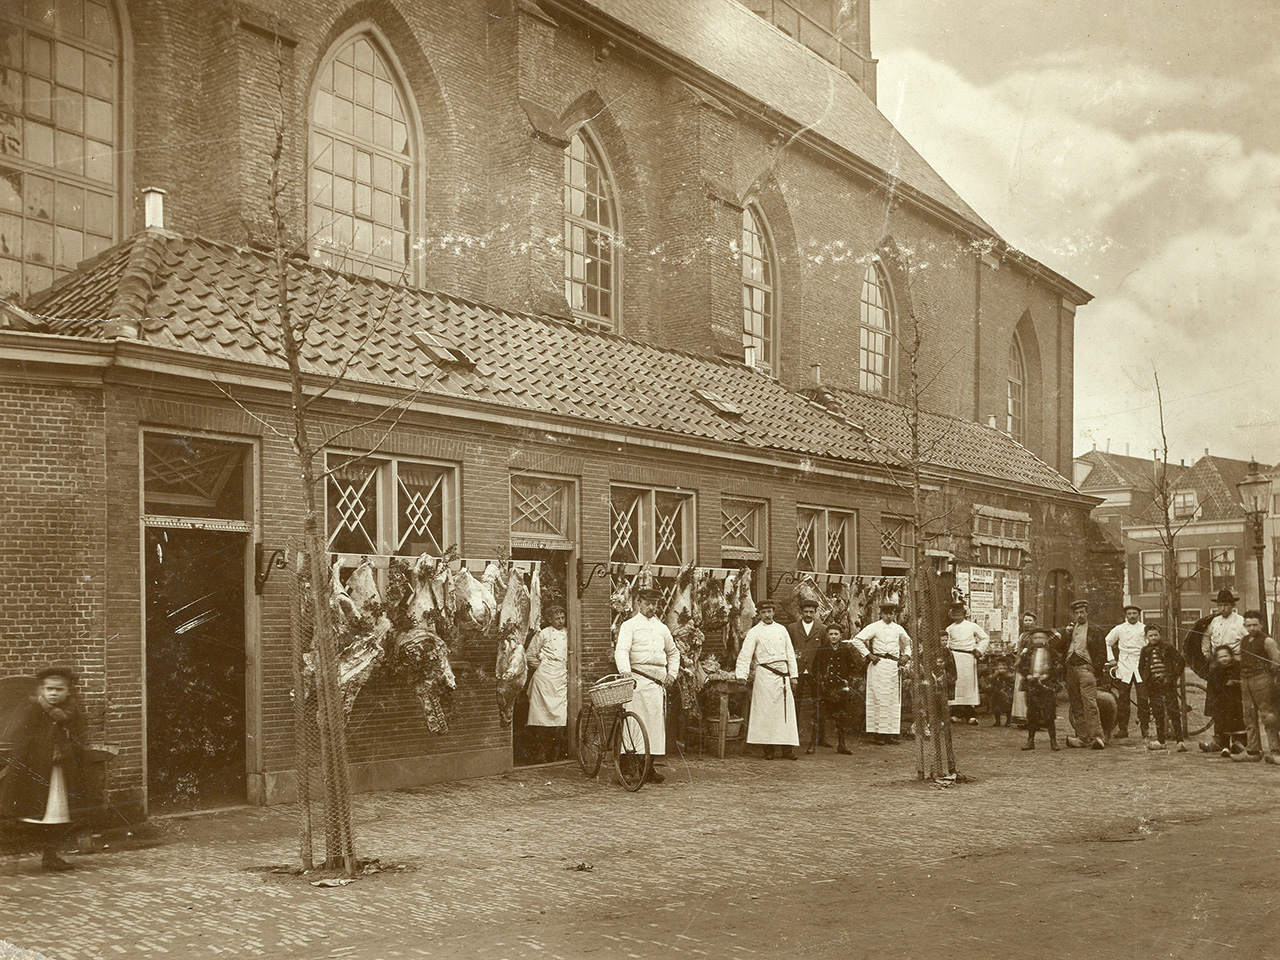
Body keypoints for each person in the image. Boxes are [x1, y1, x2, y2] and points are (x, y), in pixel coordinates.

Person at [0, 667, 88, 871]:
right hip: (37, 771)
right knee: (27, 811)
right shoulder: (34, 710)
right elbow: (23, 739)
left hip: (61, 772)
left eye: (59, 689)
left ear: (68, 691)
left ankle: (51, 856)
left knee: (58, 814)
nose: (54, 693)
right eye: (49, 689)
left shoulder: (72, 712)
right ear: (42, 690)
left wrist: (69, 749)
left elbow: (80, 736)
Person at [615, 587, 680, 783]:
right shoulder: (629, 626)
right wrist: (625, 671)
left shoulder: (662, 628)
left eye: (655, 604)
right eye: (647, 603)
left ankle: (648, 768)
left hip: (657, 685)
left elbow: (673, 652)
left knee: (654, 727)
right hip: (637, 681)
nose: (651, 607)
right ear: (638, 604)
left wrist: (672, 674)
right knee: (633, 725)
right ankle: (626, 769)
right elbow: (622, 650)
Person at [736, 598, 800, 760]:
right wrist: (741, 675)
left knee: (785, 714)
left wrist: (793, 676)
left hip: (783, 677)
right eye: (763, 612)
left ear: (773, 612)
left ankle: (787, 750)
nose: (767, 615)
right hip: (764, 676)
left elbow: (790, 653)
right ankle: (768, 749)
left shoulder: (782, 630)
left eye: (769, 612)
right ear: (759, 615)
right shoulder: (754, 632)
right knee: (766, 713)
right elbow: (745, 655)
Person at [851, 600, 912, 745]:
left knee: (892, 700)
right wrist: (868, 655)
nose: (889, 616)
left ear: (895, 614)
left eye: (891, 613)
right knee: (878, 698)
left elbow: (907, 644)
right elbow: (857, 640)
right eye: (886, 613)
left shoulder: (898, 629)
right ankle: (877, 734)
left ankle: (889, 733)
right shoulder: (874, 627)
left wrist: (906, 656)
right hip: (878, 666)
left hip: (893, 666)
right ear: (881, 614)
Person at [1055, 599, 1110, 749]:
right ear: (1073, 615)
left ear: (1087, 613)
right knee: (1076, 705)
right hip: (1070, 669)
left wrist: (1094, 668)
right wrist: (1066, 635)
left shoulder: (1095, 630)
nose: (1079, 615)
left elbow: (1101, 654)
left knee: (1090, 703)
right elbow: (1060, 649)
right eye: (1077, 613)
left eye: (1082, 612)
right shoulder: (1069, 630)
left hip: (1086, 669)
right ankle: (1082, 737)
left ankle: (1097, 737)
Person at [1232, 611, 1280, 764]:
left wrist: (1266, 677)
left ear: (1261, 625)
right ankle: (1253, 751)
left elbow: (1276, 661)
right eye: (1248, 625)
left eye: (1255, 625)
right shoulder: (1244, 640)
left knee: (1268, 715)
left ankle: (1275, 751)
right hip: (1246, 680)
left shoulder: (1268, 641)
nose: (1252, 628)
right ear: (1245, 625)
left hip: (1262, 680)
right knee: (1249, 715)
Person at [525, 604, 569, 762]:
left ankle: (555, 753)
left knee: (560, 716)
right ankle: (540, 753)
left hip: (561, 677)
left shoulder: (569, 634)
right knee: (540, 716)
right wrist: (543, 668)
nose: (560, 621)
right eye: (557, 618)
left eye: (562, 618)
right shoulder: (543, 634)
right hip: (544, 680)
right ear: (549, 619)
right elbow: (530, 655)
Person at [808, 624, 858, 754]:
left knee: (841, 717)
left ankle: (842, 745)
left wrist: (847, 680)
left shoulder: (845, 649)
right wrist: (820, 682)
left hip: (840, 689)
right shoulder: (822, 649)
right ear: (827, 635)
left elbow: (852, 667)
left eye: (836, 634)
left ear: (841, 635)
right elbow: (815, 668)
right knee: (818, 716)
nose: (833, 637)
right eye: (831, 634)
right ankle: (812, 744)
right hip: (825, 688)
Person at [1137, 623, 1187, 751]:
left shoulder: (1167, 647)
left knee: (1173, 711)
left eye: (1156, 635)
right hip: (1153, 685)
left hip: (1167, 683)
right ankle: (1161, 740)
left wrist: (1174, 676)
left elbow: (1181, 661)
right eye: (1150, 635)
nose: (1153, 638)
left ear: (1160, 635)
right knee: (1158, 712)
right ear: (1146, 637)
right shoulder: (1145, 650)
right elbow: (1141, 667)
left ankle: (1180, 741)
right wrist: (1147, 680)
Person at [1105, 605, 1148, 740]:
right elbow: (1107, 641)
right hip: (1124, 666)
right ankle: (1123, 729)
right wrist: (1111, 659)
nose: (1132, 616)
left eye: (1134, 613)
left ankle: (1144, 729)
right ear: (1126, 615)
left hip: (1140, 666)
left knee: (1143, 699)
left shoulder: (1144, 629)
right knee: (1123, 699)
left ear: (1139, 615)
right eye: (1129, 613)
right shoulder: (1119, 629)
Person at [944, 602, 990, 724]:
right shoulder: (949, 628)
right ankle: (956, 713)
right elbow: (946, 643)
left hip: (969, 658)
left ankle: (970, 714)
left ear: (964, 614)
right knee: (956, 684)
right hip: (954, 658)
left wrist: (979, 650)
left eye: (959, 613)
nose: (957, 615)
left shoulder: (972, 626)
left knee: (969, 685)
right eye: (954, 613)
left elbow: (984, 638)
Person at [787, 599, 826, 743]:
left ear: (815, 613)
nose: (808, 614)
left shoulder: (822, 629)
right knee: (795, 703)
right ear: (801, 612)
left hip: (814, 671)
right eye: (806, 612)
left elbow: (824, 651)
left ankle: (820, 737)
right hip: (796, 671)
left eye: (811, 612)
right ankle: (793, 737)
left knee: (819, 703)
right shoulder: (792, 628)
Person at [1017, 628, 1060, 751]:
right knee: (1032, 713)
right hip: (1033, 685)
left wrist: (1048, 675)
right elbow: (1020, 666)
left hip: (1046, 685)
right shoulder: (1028, 652)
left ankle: (1053, 741)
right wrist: (1027, 675)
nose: (1038, 640)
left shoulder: (1052, 652)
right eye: (1035, 638)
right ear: (1031, 640)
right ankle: (1030, 741)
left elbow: (1057, 667)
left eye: (1041, 637)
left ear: (1046, 639)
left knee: (1049, 713)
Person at [1203, 645, 1246, 755]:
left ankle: (1238, 743)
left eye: (1226, 656)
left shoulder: (1237, 667)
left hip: (1236, 701)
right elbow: (1214, 687)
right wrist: (1223, 685)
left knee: (1238, 723)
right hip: (1222, 702)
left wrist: (1235, 683)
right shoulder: (1216, 670)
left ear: (1231, 656)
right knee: (1223, 723)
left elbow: (1243, 682)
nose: (1224, 659)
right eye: (1221, 657)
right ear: (1217, 659)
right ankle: (1224, 745)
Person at [1010, 612, 1039, 725]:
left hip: (1032, 665)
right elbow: (1019, 649)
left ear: (1034, 622)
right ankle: (1021, 716)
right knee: (1020, 689)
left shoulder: (1037, 634)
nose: (1027, 623)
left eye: (1030, 620)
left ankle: (1032, 717)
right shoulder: (1022, 635)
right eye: (1025, 620)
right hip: (1022, 664)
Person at [1203, 588, 1247, 661]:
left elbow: (1248, 638)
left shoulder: (1240, 621)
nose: (1222, 609)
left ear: (1232, 605)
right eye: (1220, 605)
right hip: (1216, 660)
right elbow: (1206, 636)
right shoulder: (1214, 621)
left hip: (1234, 660)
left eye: (1226, 605)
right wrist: (1206, 652)